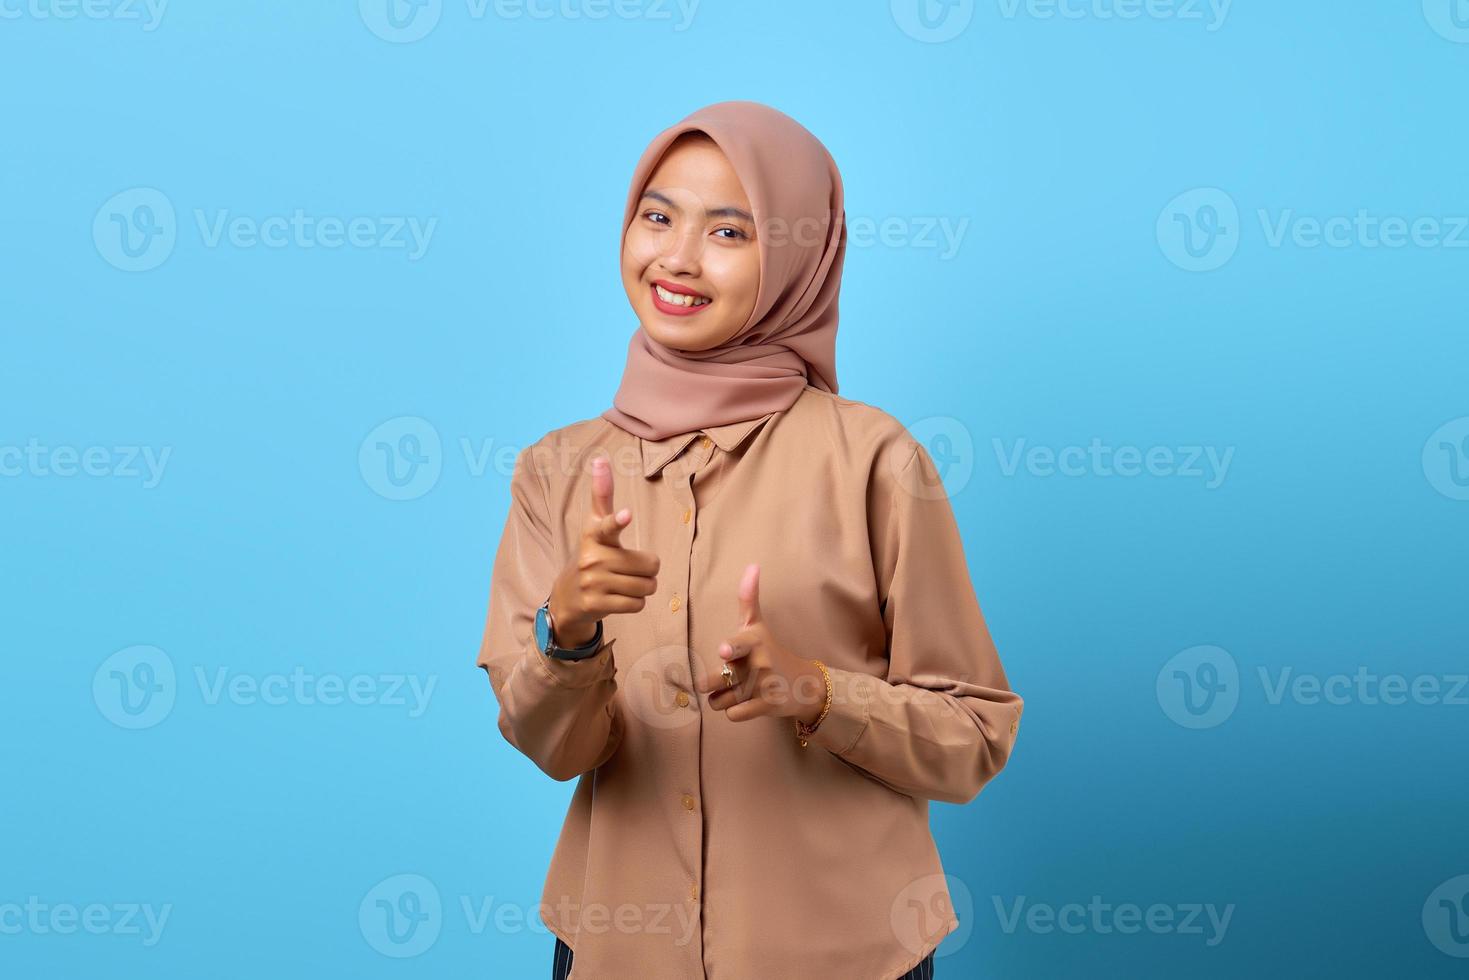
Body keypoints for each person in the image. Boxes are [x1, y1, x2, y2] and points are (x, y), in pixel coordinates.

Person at [477, 99, 1023, 979]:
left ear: (797, 260)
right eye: (656, 216)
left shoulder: (876, 461)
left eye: (729, 232)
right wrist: (568, 633)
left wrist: (815, 693)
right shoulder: (558, 470)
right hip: (619, 954)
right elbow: (555, 750)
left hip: (847, 955)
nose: (676, 258)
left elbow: (975, 738)